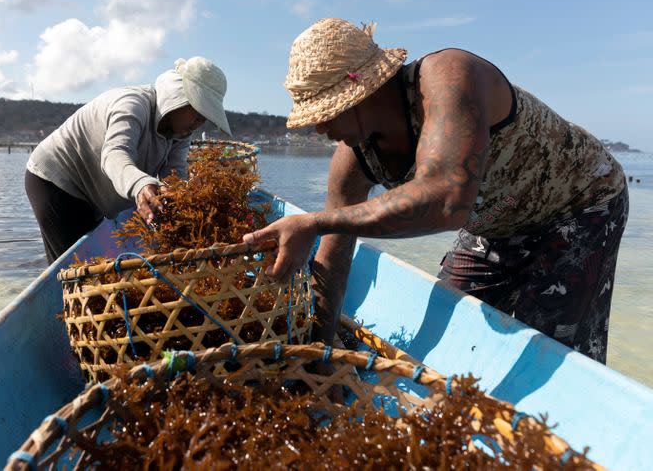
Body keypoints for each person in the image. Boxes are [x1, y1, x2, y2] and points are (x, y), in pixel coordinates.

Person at [243, 18, 628, 363]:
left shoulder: (448, 76)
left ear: (360, 91)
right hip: (496, 223)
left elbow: (446, 201)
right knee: (450, 326)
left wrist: (314, 223)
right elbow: (334, 249)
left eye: (324, 114)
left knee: (550, 349)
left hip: (579, 206)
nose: (320, 129)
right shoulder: (353, 158)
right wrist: (318, 353)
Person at [26, 56, 231, 264]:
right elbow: (114, 155)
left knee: (89, 265)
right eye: (198, 110)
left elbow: (174, 175)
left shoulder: (180, 132)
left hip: (93, 195)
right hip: (56, 179)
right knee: (73, 270)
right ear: (177, 98)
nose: (201, 121)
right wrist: (141, 184)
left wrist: (181, 201)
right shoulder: (133, 105)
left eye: (206, 115)